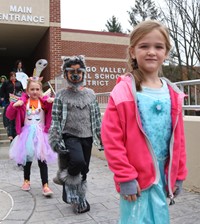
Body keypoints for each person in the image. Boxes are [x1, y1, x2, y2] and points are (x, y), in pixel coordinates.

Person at [101, 20, 187, 224]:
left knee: (160, 218)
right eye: (144, 46)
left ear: (166, 53)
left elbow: (179, 140)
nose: (151, 52)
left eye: (158, 47)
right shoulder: (123, 92)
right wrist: (125, 176)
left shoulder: (173, 93)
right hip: (135, 176)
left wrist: (179, 173)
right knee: (135, 219)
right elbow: (112, 140)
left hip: (162, 173)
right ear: (132, 52)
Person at [49, 55, 103, 214]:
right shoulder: (60, 95)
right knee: (78, 162)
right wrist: (55, 139)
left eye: (79, 71)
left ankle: (80, 199)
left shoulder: (91, 94)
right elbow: (56, 119)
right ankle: (65, 178)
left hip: (87, 136)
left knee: (84, 170)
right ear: (65, 74)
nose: (75, 74)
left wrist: (102, 138)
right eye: (71, 71)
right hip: (70, 136)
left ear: (84, 73)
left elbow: (97, 118)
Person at [6, 76, 57, 197]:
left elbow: (54, 112)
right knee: (27, 159)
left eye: (37, 89)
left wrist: (52, 102)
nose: (34, 92)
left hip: (41, 134)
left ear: (40, 90)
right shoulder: (23, 103)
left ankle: (45, 185)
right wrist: (14, 105)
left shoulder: (44, 102)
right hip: (27, 134)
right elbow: (9, 115)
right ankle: (26, 181)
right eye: (32, 89)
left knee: (42, 159)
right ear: (27, 90)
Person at [0, 71, 24, 141]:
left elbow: (22, 91)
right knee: (9, 116)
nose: (13, 78)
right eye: (11, 76)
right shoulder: (6, 83)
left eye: (14, 76)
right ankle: (9, 131)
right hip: (9, 101)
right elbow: (2, 90)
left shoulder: (18, 83)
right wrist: (2, 96)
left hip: (17, 101)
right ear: (10, 77)